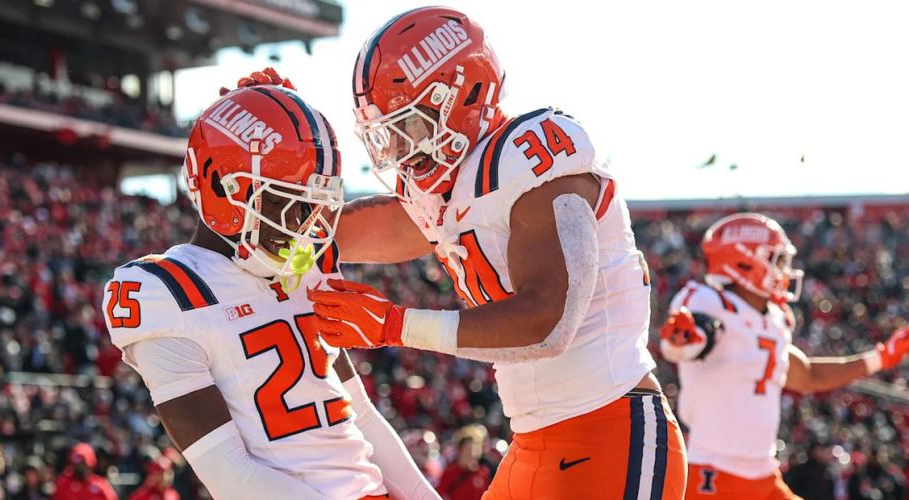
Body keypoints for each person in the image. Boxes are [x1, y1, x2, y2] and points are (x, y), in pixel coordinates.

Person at [306, 7, 686, 499]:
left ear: (464, 95)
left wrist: (394, 324)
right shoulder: (447, 191)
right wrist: (273, 143)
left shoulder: (531, 156)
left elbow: (548, 322)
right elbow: (330, 233)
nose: (400, 149)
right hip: (531, 444)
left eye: (411, 125)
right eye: (389, 133)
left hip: (610, 429)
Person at [102, 70, 437, 500]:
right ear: (221, 187)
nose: (303, 224)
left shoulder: (307, 266)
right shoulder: (164, 292)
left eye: (311, 206)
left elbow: (362, 416)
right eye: (285, 203)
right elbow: (231, 475)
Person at [658, 212, 909, 499]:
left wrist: (881, 357)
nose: (784, 270)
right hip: (712, 474)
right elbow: (682, 343)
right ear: (744, 261)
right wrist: (684, 337)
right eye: (776, 260)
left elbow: (807, 375)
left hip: (763, 475)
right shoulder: (709, 301)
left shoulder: (772, 319)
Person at [51, 443, 117, 500]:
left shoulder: (101, 485)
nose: (80, 467)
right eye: (77, 463)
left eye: (83, 463)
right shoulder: (63, 484)